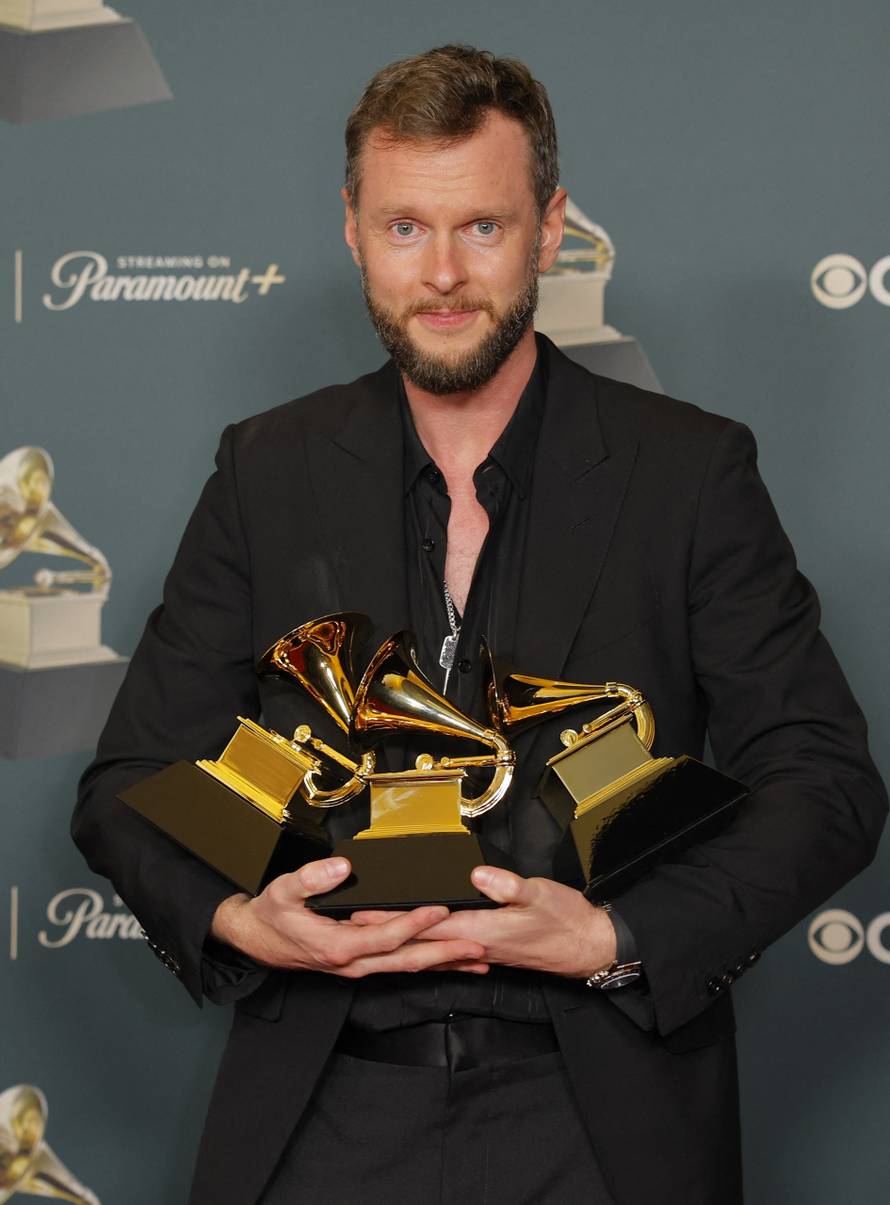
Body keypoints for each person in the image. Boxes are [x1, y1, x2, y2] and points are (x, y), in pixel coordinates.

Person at [72, 45, 887, 1205]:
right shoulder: (268, 468)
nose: (443, 274)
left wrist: (619, 935)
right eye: (405, 227)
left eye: (482, 228)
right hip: (320, 1109)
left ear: (550, 228)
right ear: (351, 229)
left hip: (602, 1112)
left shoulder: (687, 471)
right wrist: (233, 913)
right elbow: (129, 780)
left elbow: (825, 780)